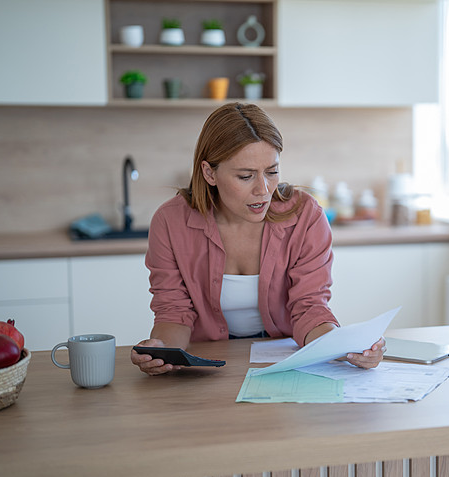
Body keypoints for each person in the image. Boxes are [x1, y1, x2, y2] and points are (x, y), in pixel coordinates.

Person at [132, 103, 385, 375]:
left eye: (272, 171)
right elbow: (173, 312)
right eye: (245, 176)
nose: (263, 190)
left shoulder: (306, 217)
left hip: (285, 364)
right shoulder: (171, 222)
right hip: (208, 368)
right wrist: (161, 351)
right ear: (209, 173)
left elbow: (309, 306)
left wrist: (342, 347)